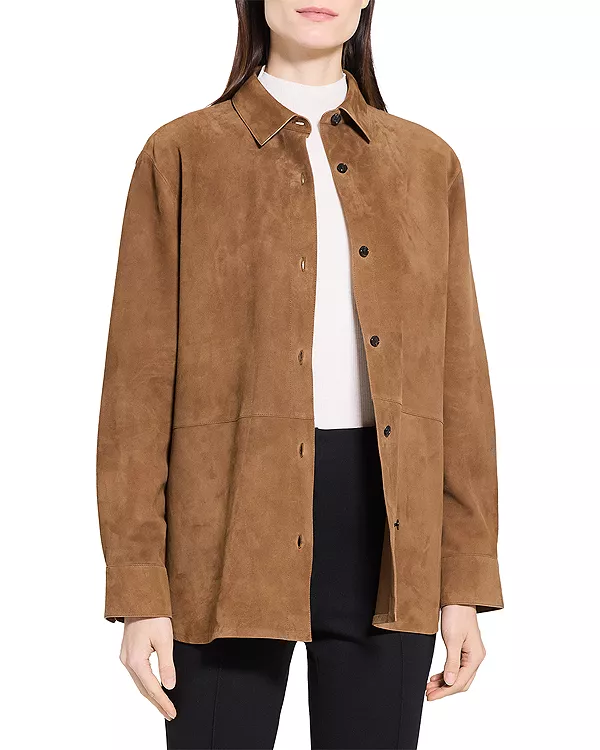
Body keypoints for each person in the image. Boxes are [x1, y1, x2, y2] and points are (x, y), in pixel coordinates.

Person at [96, 1, 504, 748]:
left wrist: (464, 581)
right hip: (224, 529)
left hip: (392, 536)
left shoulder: (427, 164)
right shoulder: (181, 154)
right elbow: (135, 389)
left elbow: (461, 385)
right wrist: (139, 586)